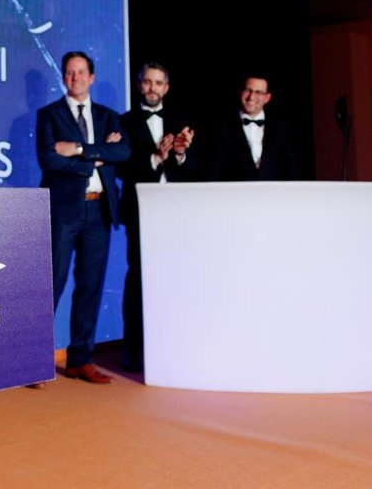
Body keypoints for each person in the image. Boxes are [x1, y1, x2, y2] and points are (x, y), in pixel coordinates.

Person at [36, 51, 130, 385]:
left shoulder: (108, 117)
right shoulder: (49, 115)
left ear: (91, 77)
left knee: (90, 287)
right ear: (64, 77)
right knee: (53, 284)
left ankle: (80, 360)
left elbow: (123, 151)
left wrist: (79, 151)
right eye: (69, 72)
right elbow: (49, 160)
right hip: (64, 212)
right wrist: (97, 157)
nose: (75, 77)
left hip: (98, 211)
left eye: (80, 72)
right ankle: (35, 363)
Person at [117, 62, 197, 373]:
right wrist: (155, 158)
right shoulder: (124, 122)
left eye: (158, 83)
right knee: (137, 278)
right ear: (140, 85)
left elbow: (195, 167)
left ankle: (172, 347)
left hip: (176, 214)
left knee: (174, 278)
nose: (152, 88)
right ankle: (133, 349)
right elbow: (121, 168)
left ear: (166, 88)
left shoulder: (180, 120)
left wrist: (179, 154)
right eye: (147, 82)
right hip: (139, 211)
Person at [205, 74, 299, 180]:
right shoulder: (221, 128)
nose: (251, 97)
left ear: (267, 98)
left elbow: (292, 170)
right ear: (240, 92)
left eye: (258, 92)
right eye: (248, 90)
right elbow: (213, 171)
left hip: (273, 190)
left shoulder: (282, 129)